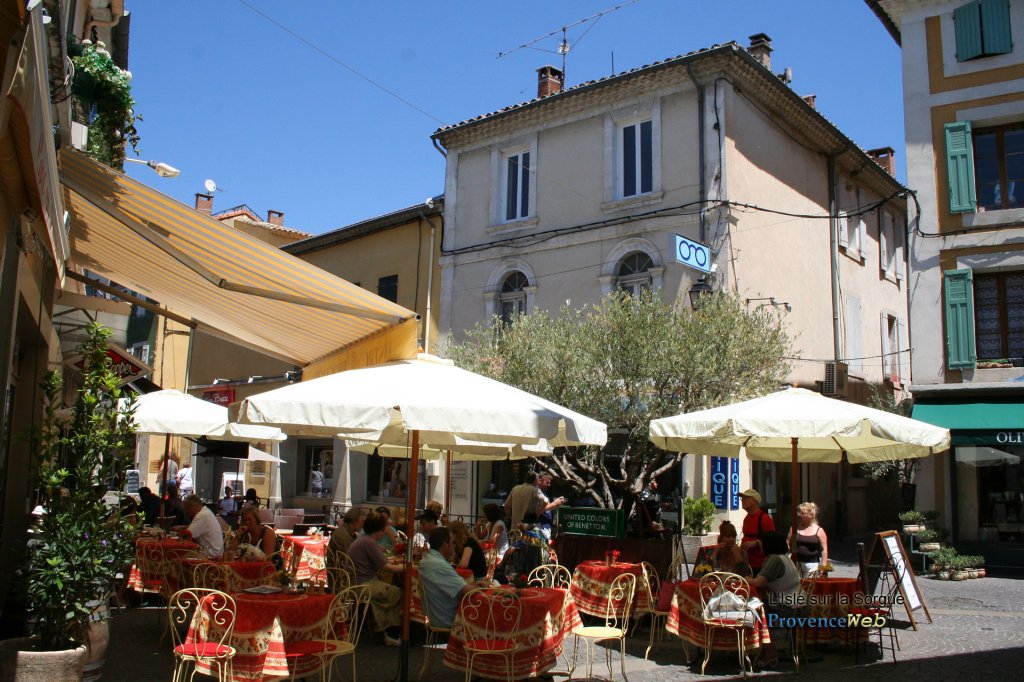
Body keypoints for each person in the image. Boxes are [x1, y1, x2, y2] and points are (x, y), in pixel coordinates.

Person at [347, 511, 404, 645]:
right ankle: (391, 632)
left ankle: (386, 629)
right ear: (380, 529)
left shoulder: (363, 540)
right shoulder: (369, 543)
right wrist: (406, 567)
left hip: (355, 582)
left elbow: (382, 560)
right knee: (397, 592)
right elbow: (387, 567)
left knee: (391, 589)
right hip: (364, 585)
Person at [418, 527, 491, 629]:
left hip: (436, 615)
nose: (455, 546)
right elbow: (466, 590)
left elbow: (461, 587)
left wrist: (475, 585)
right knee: (492, 615)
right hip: (449, 618)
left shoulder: (427, 560)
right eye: (452, 543)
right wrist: (484, 587)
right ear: (445, 546)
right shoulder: (439, 565)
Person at [750, 531, 802, 668]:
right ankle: (765, 647)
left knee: (755, 613)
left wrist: (743, 577)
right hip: (798, 604)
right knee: (759, 607)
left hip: (790, 607)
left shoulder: (775, 559)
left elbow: (757, 583)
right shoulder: (785, 558)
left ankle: (769, 651)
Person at [739, 488, 775, 576]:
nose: (742, 500)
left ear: (754, 501)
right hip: (747, 564)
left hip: (761, 565)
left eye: (745, 498)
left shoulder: (765, 519)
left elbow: (773, 542)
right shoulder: (746, 518)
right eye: (742, 498)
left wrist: (755, 543)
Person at [789, 501, 829, 576]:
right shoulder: (794, 528)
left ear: (810, 515)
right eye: (799, 513)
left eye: (802, 513)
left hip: (813, 566)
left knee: (810, 586)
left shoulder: (819, 530)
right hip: (797, 564)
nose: (799, 515)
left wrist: (823, 568)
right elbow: (789, 545)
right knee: (797, 587)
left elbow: (824, 550)